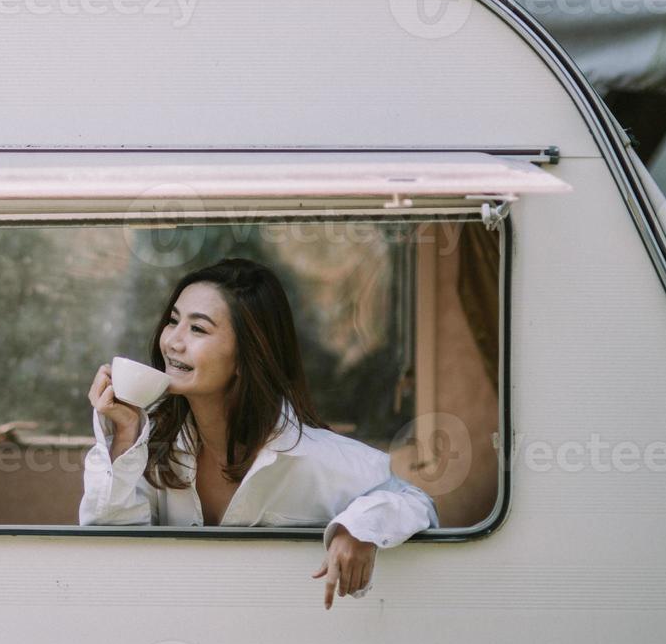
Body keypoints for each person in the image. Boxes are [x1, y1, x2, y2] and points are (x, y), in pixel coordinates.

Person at [78, 258, 437, 609]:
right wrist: (124, 433)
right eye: (173, 321)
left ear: (246, 354)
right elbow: (111, 553)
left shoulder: (314, 455)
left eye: (198, 329)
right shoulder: (150, 446)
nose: (172, 341)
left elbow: (415, 502)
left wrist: (358, 529)